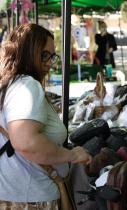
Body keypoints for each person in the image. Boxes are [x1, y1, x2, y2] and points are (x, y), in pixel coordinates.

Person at [0, 24, 92, 208]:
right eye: (44, 55)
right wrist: (72, 155)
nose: (50, 62)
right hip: (30, 199)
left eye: (52, 56)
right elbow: (26, 141)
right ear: (27, 53)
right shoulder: (27, 86)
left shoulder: (10, 84)